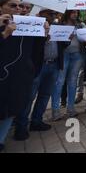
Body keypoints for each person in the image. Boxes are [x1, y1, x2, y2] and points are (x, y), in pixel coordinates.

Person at [0, 0, 46, 149]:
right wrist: (5, 33)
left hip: (19, 76)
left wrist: (43, 34)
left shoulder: (26, 25)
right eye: (13, 6)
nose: (19, 9)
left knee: (12, 109)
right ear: (2, 7)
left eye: (20, 6)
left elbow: (34, 50)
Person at [14, 8, 57, 141]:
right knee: (29, 97)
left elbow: (62, 45)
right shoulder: (32, 25)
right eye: (50, 14)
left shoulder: (56, 27)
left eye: (54, 14)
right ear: (40, 13)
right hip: (38, 66)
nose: (52, 16)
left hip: (54, 65)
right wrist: (43, 34)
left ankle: (36, 121)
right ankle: (21, 127)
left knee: (44, 95)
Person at [51, 10, 86, 120]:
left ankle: (70, 108)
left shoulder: (80, 25)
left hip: (77, 55)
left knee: (72, 81)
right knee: (59, 81)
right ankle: (55, 110)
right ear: (67, 13)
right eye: (72, 12)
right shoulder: (59, 25)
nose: (75, 14)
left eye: (76, 13)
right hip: (64, 55)